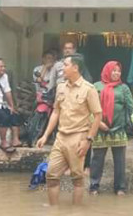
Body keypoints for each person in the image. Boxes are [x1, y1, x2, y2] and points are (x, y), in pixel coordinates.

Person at [36, 55, 102, 205]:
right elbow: (55, 112)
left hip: (78, 137)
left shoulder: (89, 89)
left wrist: (88, 140)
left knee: (77, 178)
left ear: (75, 68)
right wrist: (45, 135)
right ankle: (54, 212)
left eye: (65, 65)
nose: (61, 68)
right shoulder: (61, 87)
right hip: (61, 137)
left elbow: (98, 116)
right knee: (51, 175)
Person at [90, 61, 133, 196]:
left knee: (120, 161)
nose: (116, 73)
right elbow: (89, 108)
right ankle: (94, 186)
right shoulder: (96, 87)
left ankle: (120, 188)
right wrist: (98, 123)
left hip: (118, 130)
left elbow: (131, 108)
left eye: (118, 71)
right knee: (97, 160)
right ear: (107, 71)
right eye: (113, 70)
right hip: (100, 130)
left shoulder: (124, 88)